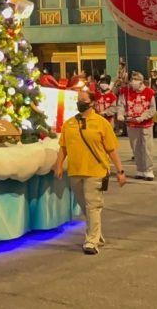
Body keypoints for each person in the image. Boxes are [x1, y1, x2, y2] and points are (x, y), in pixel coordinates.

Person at [53, 88, 126, 255]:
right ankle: (97, 234)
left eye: (83, 100)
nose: (79, 103)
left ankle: (91, 242)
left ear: (92, 102)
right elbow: (63, 147)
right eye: (78, 100)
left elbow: (112, 150)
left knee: (93, 206)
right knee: (85, 206)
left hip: (96, 171)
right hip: (75, 171)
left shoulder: (102, 123)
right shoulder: (69, 124)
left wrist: (120, 171)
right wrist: (58, 165)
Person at [119, 72, 155, 180]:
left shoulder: (149, 92)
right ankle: (140, 169)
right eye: (132, 79)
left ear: (141, 80)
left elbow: (152, 109)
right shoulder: (126, 91)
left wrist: (143, 117)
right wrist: (120, 114)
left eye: (136, 79)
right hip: (132, 123)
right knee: (135, 148)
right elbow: (121, 105)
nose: (133, 81)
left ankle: (148, 170)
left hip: (145, 124)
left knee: (146, 148)